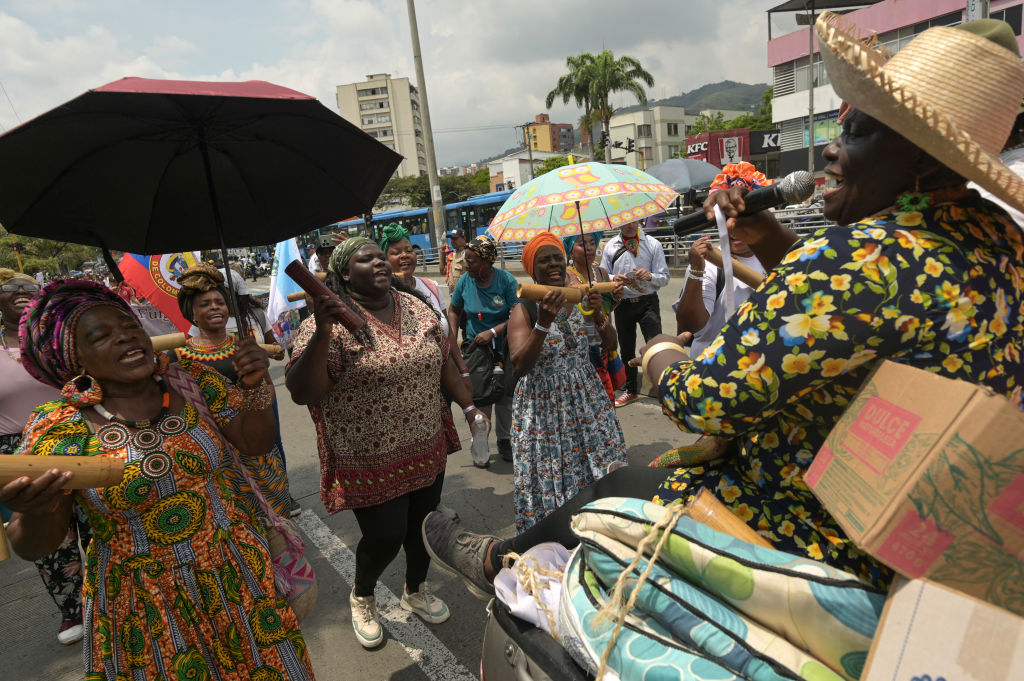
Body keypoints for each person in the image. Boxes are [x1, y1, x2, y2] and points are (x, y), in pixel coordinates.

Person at [422, 14, 1024, 595]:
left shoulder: (858, 257)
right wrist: (782, 245)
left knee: (616, 488)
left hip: (820, 524)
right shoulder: (1003, 243)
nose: (832, 153)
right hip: (939, 529)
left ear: (921, 154)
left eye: (857, 132)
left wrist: (658, 354)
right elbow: (862, 320)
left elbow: (703, 403)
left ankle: (500, 560)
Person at [1, 280, 315, 680]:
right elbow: (37, 545)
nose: (127, 338)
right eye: (102, 336)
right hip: (142, 598)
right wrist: (33, 511)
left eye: (129, 326)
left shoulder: (192, 381)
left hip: (236, 570)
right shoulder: (58, 426)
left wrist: (256, 387)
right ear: (73, 357)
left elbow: (255, 443)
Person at [285, 237, 485, 649]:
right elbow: (304, 390)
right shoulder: (327, 322)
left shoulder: (415, 306)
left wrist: (468, 407)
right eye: (366, 258)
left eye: (381, 256)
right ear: (343, 274)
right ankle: (362, 594)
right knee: (386, 536)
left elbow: (443, 358)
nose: (379, 261)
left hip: (425, 443)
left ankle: (416, 589)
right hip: (368, 456)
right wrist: (323, 331)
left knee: (423, 529)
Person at [506, 233, 626, 531]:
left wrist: (600, 312)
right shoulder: (524, 308)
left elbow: (610, 343)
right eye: (544, 260)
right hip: (544, 407)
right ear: (532, 269)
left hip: (587, 401)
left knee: (600, 463)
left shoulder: (581, 298)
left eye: (557, 257)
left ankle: (602, 530)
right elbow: (520, 365)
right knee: (553, 472)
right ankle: (558, 539)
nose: (554, 264)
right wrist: (542, 323)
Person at [0, 269, 91, 646]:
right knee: (49, 534)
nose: (22, 291)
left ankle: (107, 595)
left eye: (28, 287)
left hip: (77, 436)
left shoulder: (57, 339)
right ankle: (73, 610)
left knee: (96, 520)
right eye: (10, 288)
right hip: (19, 449)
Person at [174, 264, 298, 517]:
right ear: (192, 314)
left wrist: (261, 410)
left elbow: (267, 387)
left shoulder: (245, 346)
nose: (215, 308)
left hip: (257, 441)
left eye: (219, 302)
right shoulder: (180, 358)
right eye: (205, 304)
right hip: (217, 454)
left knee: (274, 520)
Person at [447, 235, 518, 462]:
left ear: (487, 262)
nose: (467, 264)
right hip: (476, 349)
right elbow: (454, 310)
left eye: (472, 261)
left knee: (506, 397)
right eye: (466, 260)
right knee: (481, 398)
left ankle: (505, 440)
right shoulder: (465, 281)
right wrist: (452, 338)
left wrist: (494, 332)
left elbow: (518, 315)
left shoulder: (506, 281)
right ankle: (480, 443)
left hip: (504, 345)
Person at [603, 215, 670, 407]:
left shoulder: (653, 244)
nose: (630, 225)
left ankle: (664, 391)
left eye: (634, 220)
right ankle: (631, 390)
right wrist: (614, 277)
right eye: (625, 221)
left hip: (648, 302)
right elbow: (602, 274)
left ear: (640, 221)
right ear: (618, 223)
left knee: (656, 348)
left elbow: (664, 277)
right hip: (622, 304)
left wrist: (650, 276)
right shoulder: (611, 247)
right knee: (627, 348)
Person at [676, 233, 765, 357]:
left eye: (744, 219)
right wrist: (696, 271)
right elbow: (691, 324)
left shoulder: (772, 259)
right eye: (727, 219)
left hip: (760, 360)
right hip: (714, 362)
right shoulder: (709, 262)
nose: (735, 227)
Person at [562, 231, 625, 401]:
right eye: (582, 244)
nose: (589, 248)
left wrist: (616, 298)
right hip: (579, 348)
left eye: (592, 242)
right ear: (570, 249)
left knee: (605, 400)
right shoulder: (566, 277)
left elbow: (607, 309)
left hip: (602, 341)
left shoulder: (602, 273)